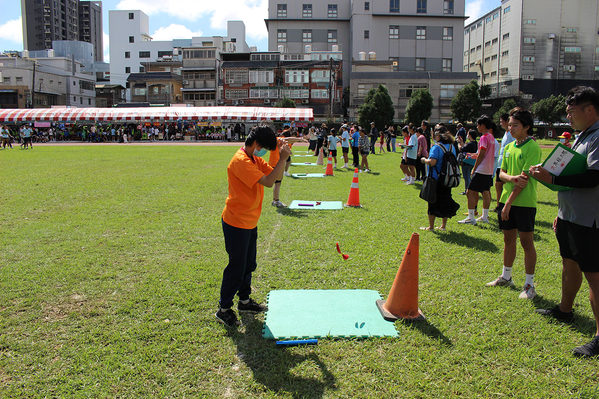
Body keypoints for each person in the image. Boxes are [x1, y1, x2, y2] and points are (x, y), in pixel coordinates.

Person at [531, 86, 599, 357]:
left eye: (571, 111)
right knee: (569, 264)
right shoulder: (582, 135)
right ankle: (565, 310)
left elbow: (595, 177)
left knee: (594, 275)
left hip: (591, 220)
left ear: (590, 110)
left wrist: (554, 179)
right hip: (570, 215)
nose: (568, 117)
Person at [216, 126, 291, 327]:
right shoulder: (241, 161)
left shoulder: (255, 159)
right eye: (264, 148)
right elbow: (268, 182)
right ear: (256, 145)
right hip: (236, 222)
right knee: (236, 267)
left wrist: (281, 156)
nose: (264, 152)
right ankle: (223, 309)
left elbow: (274, 175)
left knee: (248, 265)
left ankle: (244, 301)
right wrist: (282, 158)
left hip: (249, 221)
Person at [485, 108, 541, 300]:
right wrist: (511, 178)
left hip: (523, 203)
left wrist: (508, 203)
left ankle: (529, 285)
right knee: (508, 240)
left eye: (515, 125)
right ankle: (506, 277)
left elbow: (524, 180)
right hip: (505, 201)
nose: (510, 128)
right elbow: (501, 174)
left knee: (526, 242)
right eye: (509, 124)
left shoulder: (532, 147)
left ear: (527, 127)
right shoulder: (509, 147)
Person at [419, 126, 460, 231]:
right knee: (445, 200)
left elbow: (432, 162)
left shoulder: (436, 147)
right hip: (447, 178)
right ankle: (443, 226)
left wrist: (424, 160)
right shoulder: (452, 147)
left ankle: (431, 226)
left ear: (438, 136)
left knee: (432, 202)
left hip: (435, 179)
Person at [458, 115, 496, 225]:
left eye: (478, 125)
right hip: (489, 169)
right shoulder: (491, 138)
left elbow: (482, 153)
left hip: (482, 169)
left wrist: (474, 168)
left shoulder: (484, 137)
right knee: (485, 192)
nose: (477, 127)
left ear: (482, 125)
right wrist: (475, 154)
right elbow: (485, 153)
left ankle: (471, 218)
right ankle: (484, 216)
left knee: (470, 192)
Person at [494, 114, 516, 212]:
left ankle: (504, 205)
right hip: (501, 163)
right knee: (498, 184)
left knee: (502, 184)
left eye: (502, 121)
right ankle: (499, 205)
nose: (500, 123)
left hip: (506, 163)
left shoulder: (512, 134)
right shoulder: (506, 133)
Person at [457, 129, 478, 195]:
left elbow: (461, 149)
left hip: (466, 162)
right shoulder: (475, 143)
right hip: (472, 161)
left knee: (466, 177)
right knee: (469, 176)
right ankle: (469, 190)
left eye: (468, 134)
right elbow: (465, 147)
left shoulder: (470, 144)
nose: (467, 135)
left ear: (470, 136)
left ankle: (467, 190)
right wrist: (462, 142)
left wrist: (458, 143)